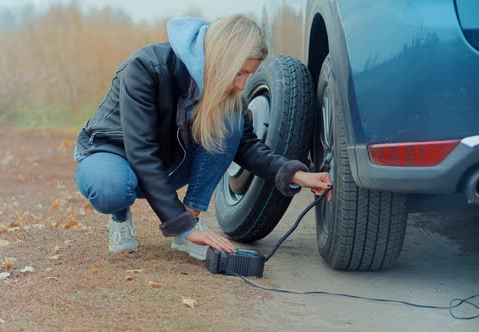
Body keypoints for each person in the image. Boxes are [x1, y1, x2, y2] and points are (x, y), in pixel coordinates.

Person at [74, 15, 331, 261]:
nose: (242, 85)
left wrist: (295, 174)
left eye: (248, 76)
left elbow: (245, 146)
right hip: (111, 152)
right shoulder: (146, 68)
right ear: (223, 58)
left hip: (166, 161)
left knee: (231, 120)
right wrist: (180, 226)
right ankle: (120, 217)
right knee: (111, 188)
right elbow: (141, 151)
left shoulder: (223, 90)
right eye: (239, 72)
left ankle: (192, 215)